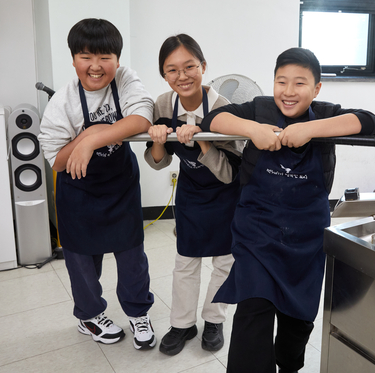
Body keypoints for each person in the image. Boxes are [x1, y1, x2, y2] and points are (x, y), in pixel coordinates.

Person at [200, 47, 375, 373]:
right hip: (258, 233)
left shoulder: (325, 113)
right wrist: (251, 129)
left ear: (316, 89)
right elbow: (213, 118)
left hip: (305, 239)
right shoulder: (258, 108)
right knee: (252, 308)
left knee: (297, 320)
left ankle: (289, 364)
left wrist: (310, 130)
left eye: (300, 83)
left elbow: (369, 121)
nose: (289, 90)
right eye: (281, 81)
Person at [38, 18, 155, 350]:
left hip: (120, 188)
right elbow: (58, 160)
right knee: (83, 262)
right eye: (86, 56)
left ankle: (138, 311)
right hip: (79, 192)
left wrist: (89, 139)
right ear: (73, 58)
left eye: (105, 57)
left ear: (117, 60)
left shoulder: (125, 79)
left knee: (133, 257)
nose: (95, 66)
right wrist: (88, 137)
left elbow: (141, 117)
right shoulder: (62, 103)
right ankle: (89, 315)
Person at [143, 34, 242, 356]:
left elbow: (229, 172)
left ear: (203, 67)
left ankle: (214, 319)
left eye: (189, 66)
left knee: (224, 262)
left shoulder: (224, 109)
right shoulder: (162, 105)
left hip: (226, 195)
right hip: (190, 195)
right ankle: (182, 324)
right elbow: (159, 163)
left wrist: (203, 140)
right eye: (172, 70)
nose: (182, 76)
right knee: (185, 261)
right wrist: (158, 139)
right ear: (163, 74)